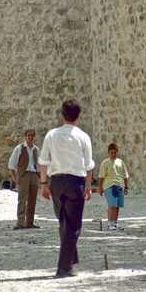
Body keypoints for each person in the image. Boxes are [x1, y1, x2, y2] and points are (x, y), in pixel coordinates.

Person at [39, 99, 95, 278]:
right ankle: (63, 267)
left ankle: (71, 259)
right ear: (79, 116)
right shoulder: (84, 137)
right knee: (73, 225)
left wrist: (43, 184)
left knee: (63, 221)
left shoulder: (51, 135)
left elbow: (43, 161)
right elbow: (88, 166)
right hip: (75, 182)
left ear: (62, 114)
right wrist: (88, 187)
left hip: (56, 182)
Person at [8, 129, 40, 229]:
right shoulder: (19, 148)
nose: (30, 137)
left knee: (32, 199)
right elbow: (11, 164)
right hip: (24, 175)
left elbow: (38, 165)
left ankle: (29, 222)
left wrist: (40, 178)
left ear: (34, 137)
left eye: (32, 135)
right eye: (28, 135)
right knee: (22, 199)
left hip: (34, 174)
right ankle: (20, 222)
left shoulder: (36, 149)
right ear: (25, 137)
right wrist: (15, 177)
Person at [98, 143, 129, 231]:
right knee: (111, 205)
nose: (113, 154)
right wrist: (100, 188)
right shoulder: (105, 163)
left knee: (117, 205)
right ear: (108, 153)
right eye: (111, 153)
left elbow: (125, 175)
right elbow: (101, 176)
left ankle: (115, 222)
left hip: (120, 185)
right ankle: (110, 223)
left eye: (115, 153)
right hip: (109, 185)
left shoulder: (120, 162)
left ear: (117, 152)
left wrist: (126, 187)